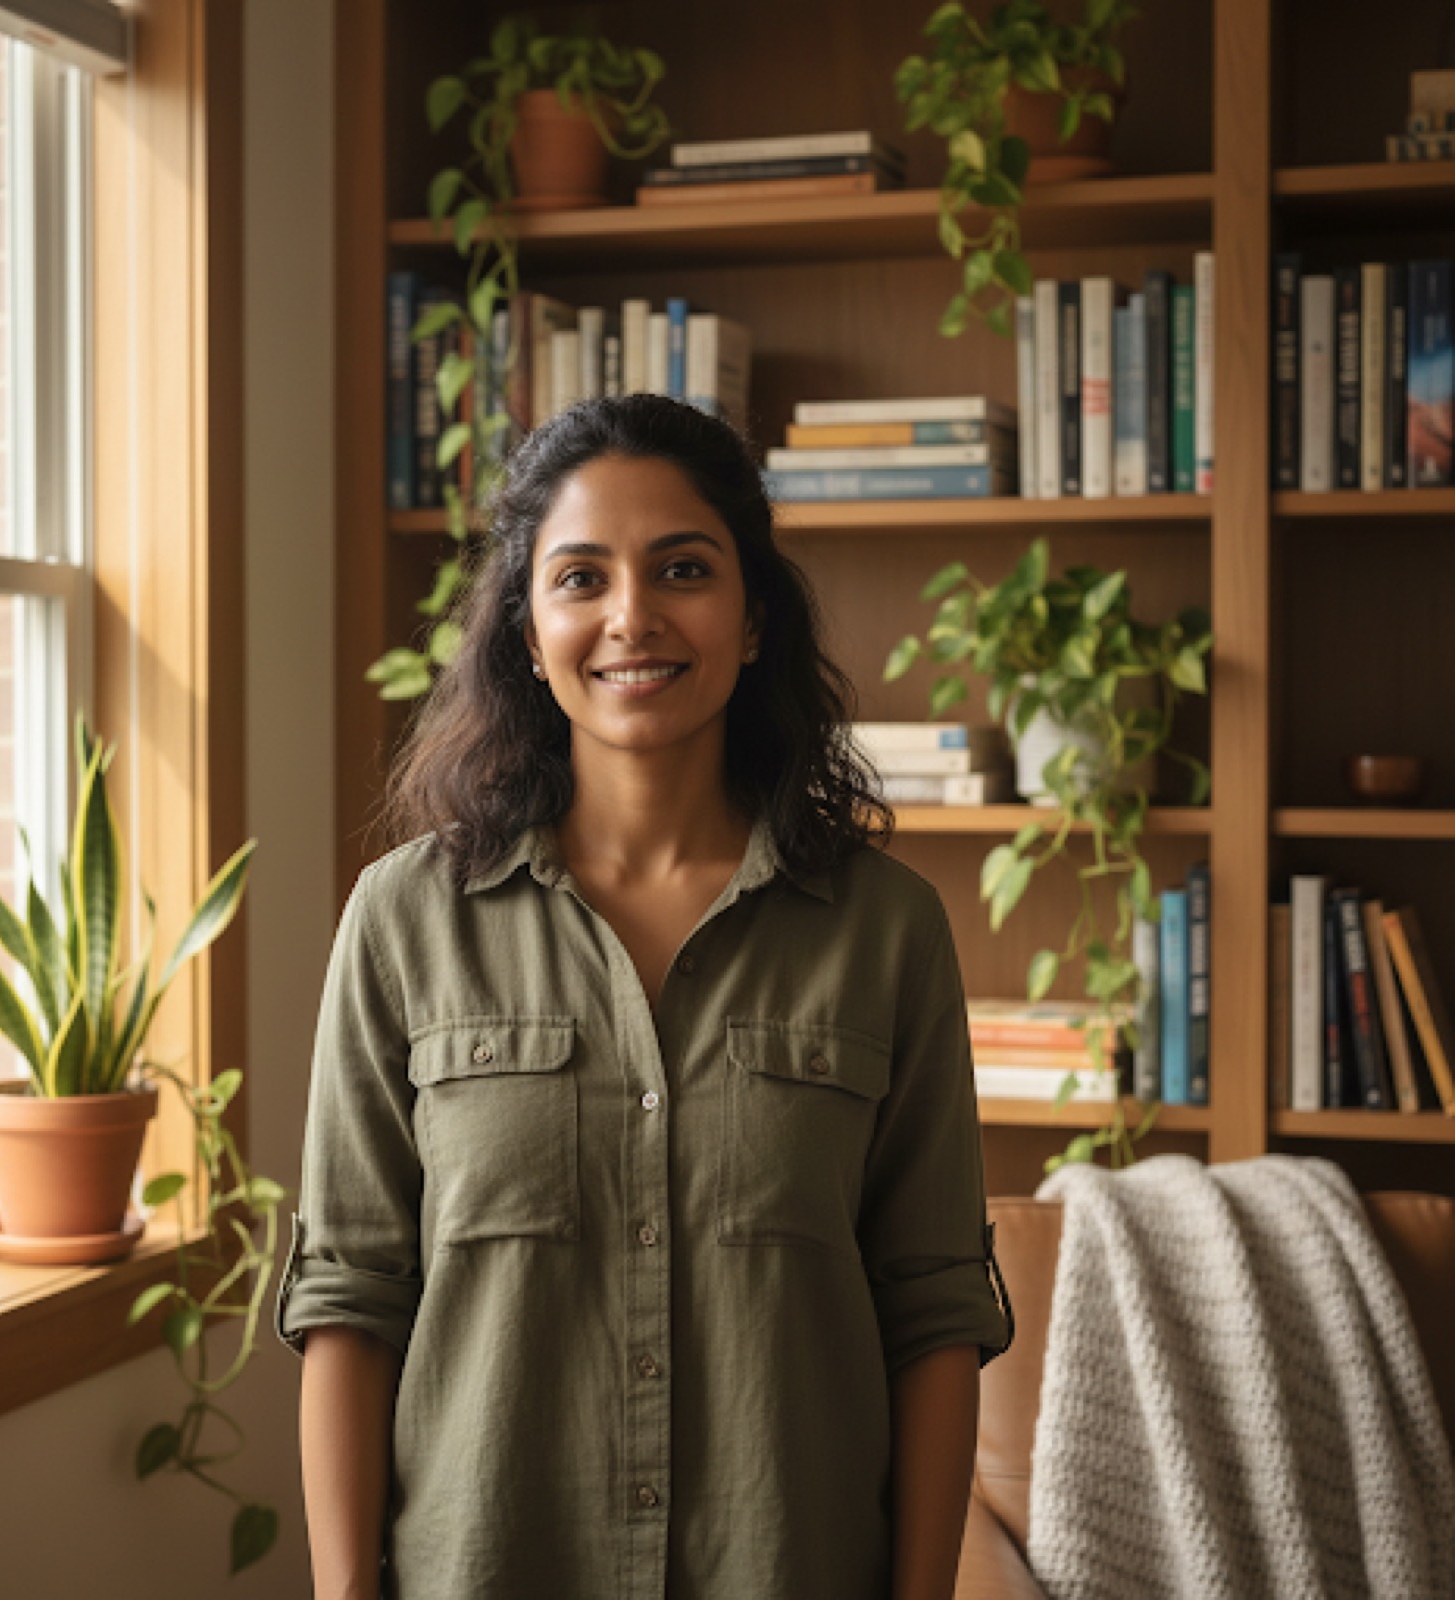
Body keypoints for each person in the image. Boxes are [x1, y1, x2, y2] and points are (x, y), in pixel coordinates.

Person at [276, 393, 1013, 1600]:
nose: (632, 618)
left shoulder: (887, 933)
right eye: (580, 577)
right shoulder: (401, 923)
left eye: (682, 568)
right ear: (524, 627)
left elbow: (932, 1315)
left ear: (755, 615)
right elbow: (350, 1305)